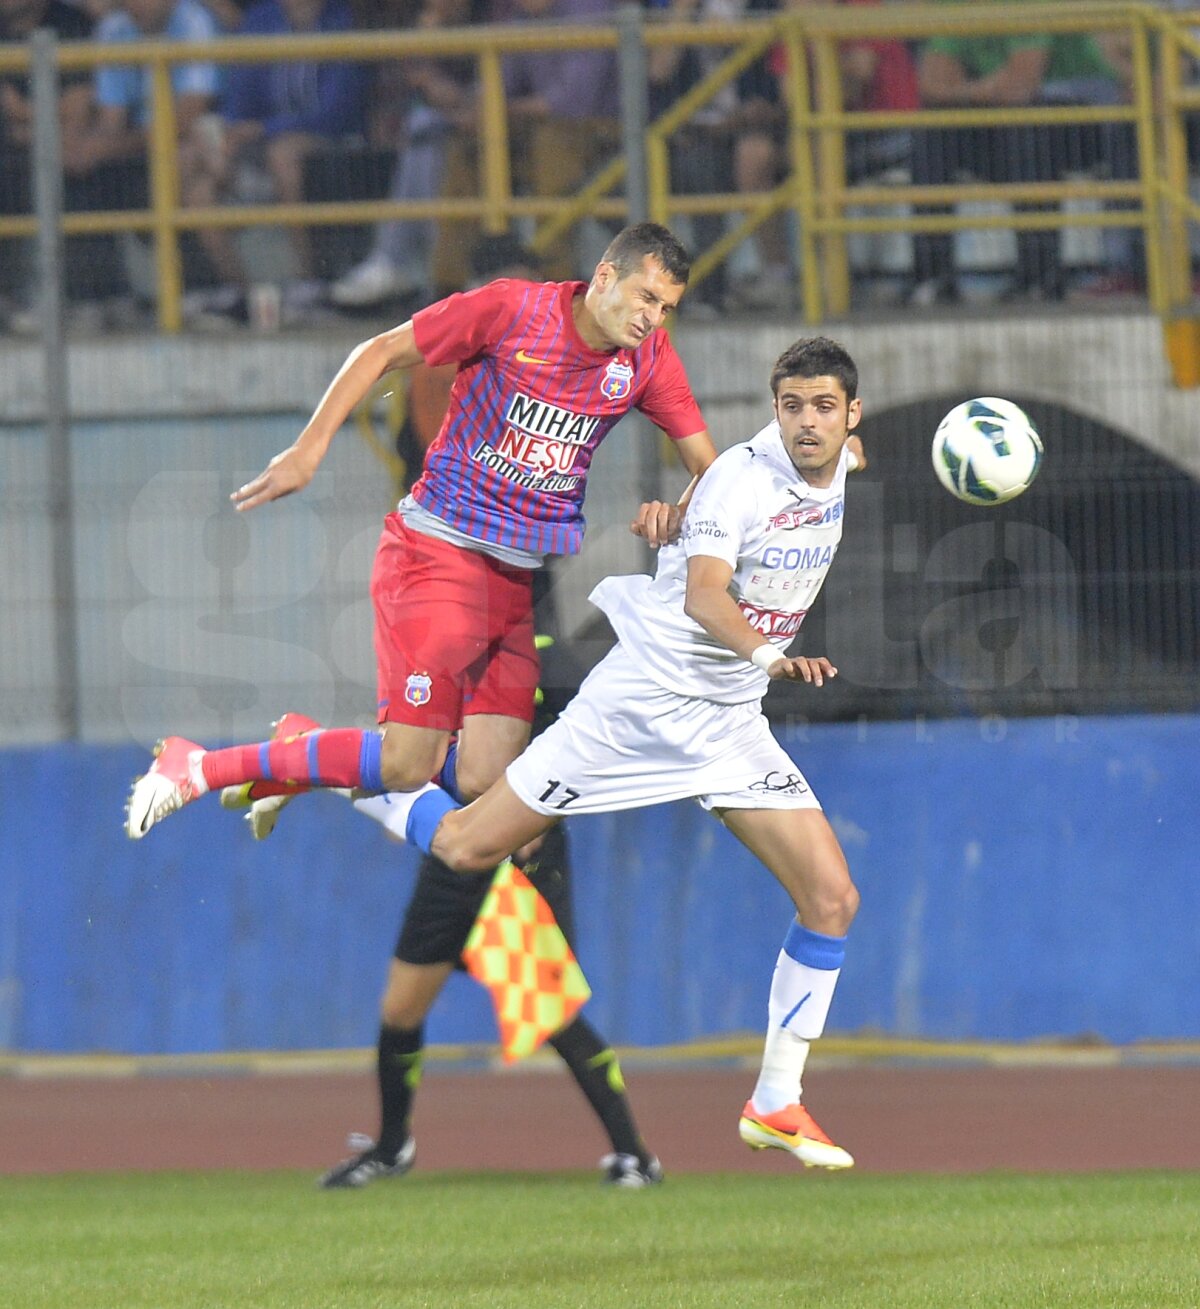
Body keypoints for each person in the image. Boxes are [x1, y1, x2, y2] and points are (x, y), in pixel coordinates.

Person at [295, 335, 869, 1169]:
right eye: (791, 406)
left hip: (728, 723)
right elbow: (708, 594)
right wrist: (770, 656)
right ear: (771, 408)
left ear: (850, 415)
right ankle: (341, 772)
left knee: (832, 898)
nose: (806, 424)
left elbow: (856, 446)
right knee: (461, 843)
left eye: (824, 407)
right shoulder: (741, 481)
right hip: (639, 707)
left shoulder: (842, 454)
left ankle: (776, 1100)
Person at [125, 221, 717, 839]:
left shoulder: (648, 360)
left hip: (515, 578)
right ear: (604, 277)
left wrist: (680, 510)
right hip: (438, 553)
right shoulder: (511, 308)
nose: (654, 318)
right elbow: (380, 351)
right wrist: (308, 447)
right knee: (409, 763)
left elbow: (711, 469)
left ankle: (305, 755)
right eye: (647, 298)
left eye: (667, 308)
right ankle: (199, 764)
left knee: (487, 781)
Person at [911, 5, 1129, 304]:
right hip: (1005, 115)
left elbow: (1022, 83)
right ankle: (933, 279)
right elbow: (931, 85)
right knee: (932, 130)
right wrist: (985, 90)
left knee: (1029, 125)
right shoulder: (954, 7)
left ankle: (1040, 277)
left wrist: (964, 88)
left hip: (1090, 118)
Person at [180, 0, 370, 325]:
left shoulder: (343, 19)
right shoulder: (262, 19)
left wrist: (266, 129)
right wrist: (229, 136)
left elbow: (338, 112)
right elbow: (241, 96)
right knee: (197, 176)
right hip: (261, 145)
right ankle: (241, 295)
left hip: (332, 143)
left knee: (283, 154)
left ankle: (309, 283)